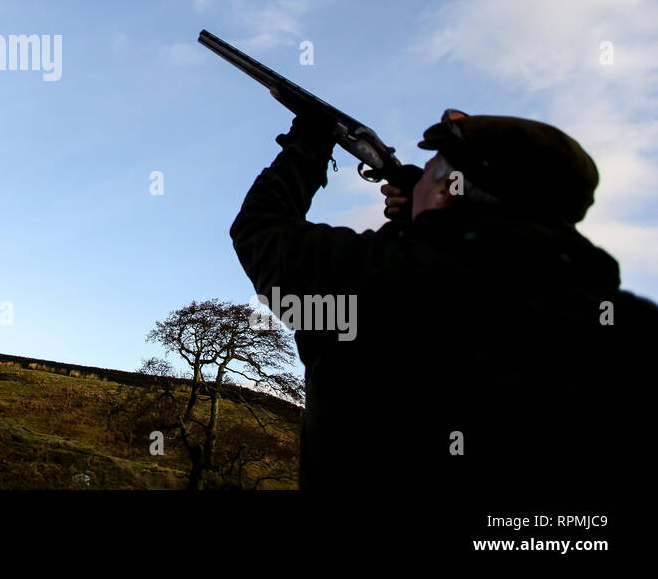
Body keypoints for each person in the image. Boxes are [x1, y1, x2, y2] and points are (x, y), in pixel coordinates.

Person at [229, 108, 654, 491]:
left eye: (432, 166)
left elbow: (259, 229)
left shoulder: (376, 281)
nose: (422, 171)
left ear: (449, 192)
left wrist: (310, 141)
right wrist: (427, 216)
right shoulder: (633, 324)